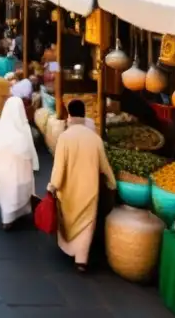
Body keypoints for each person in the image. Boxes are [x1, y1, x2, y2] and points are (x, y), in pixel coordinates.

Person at [47, 99, 116, 272]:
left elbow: (59, 168)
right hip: (89, 191)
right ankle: (81, 260)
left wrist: (53, 186)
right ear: (85, 115)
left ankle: (68, 249)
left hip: (69, 192)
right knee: (86, 226)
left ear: (69, 114)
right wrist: (112, 183)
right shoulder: (95, 138)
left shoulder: (64, 137)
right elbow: (105, 165)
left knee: (69, 222)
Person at [0, 97, 39, 230]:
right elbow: (30, 150)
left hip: (5, 174)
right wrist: (34, 165)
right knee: (22, 193)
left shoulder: (0, 128)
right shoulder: (24, 128)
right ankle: (20, 213)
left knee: (8, 195)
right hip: (23, 173)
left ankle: (7, 219)